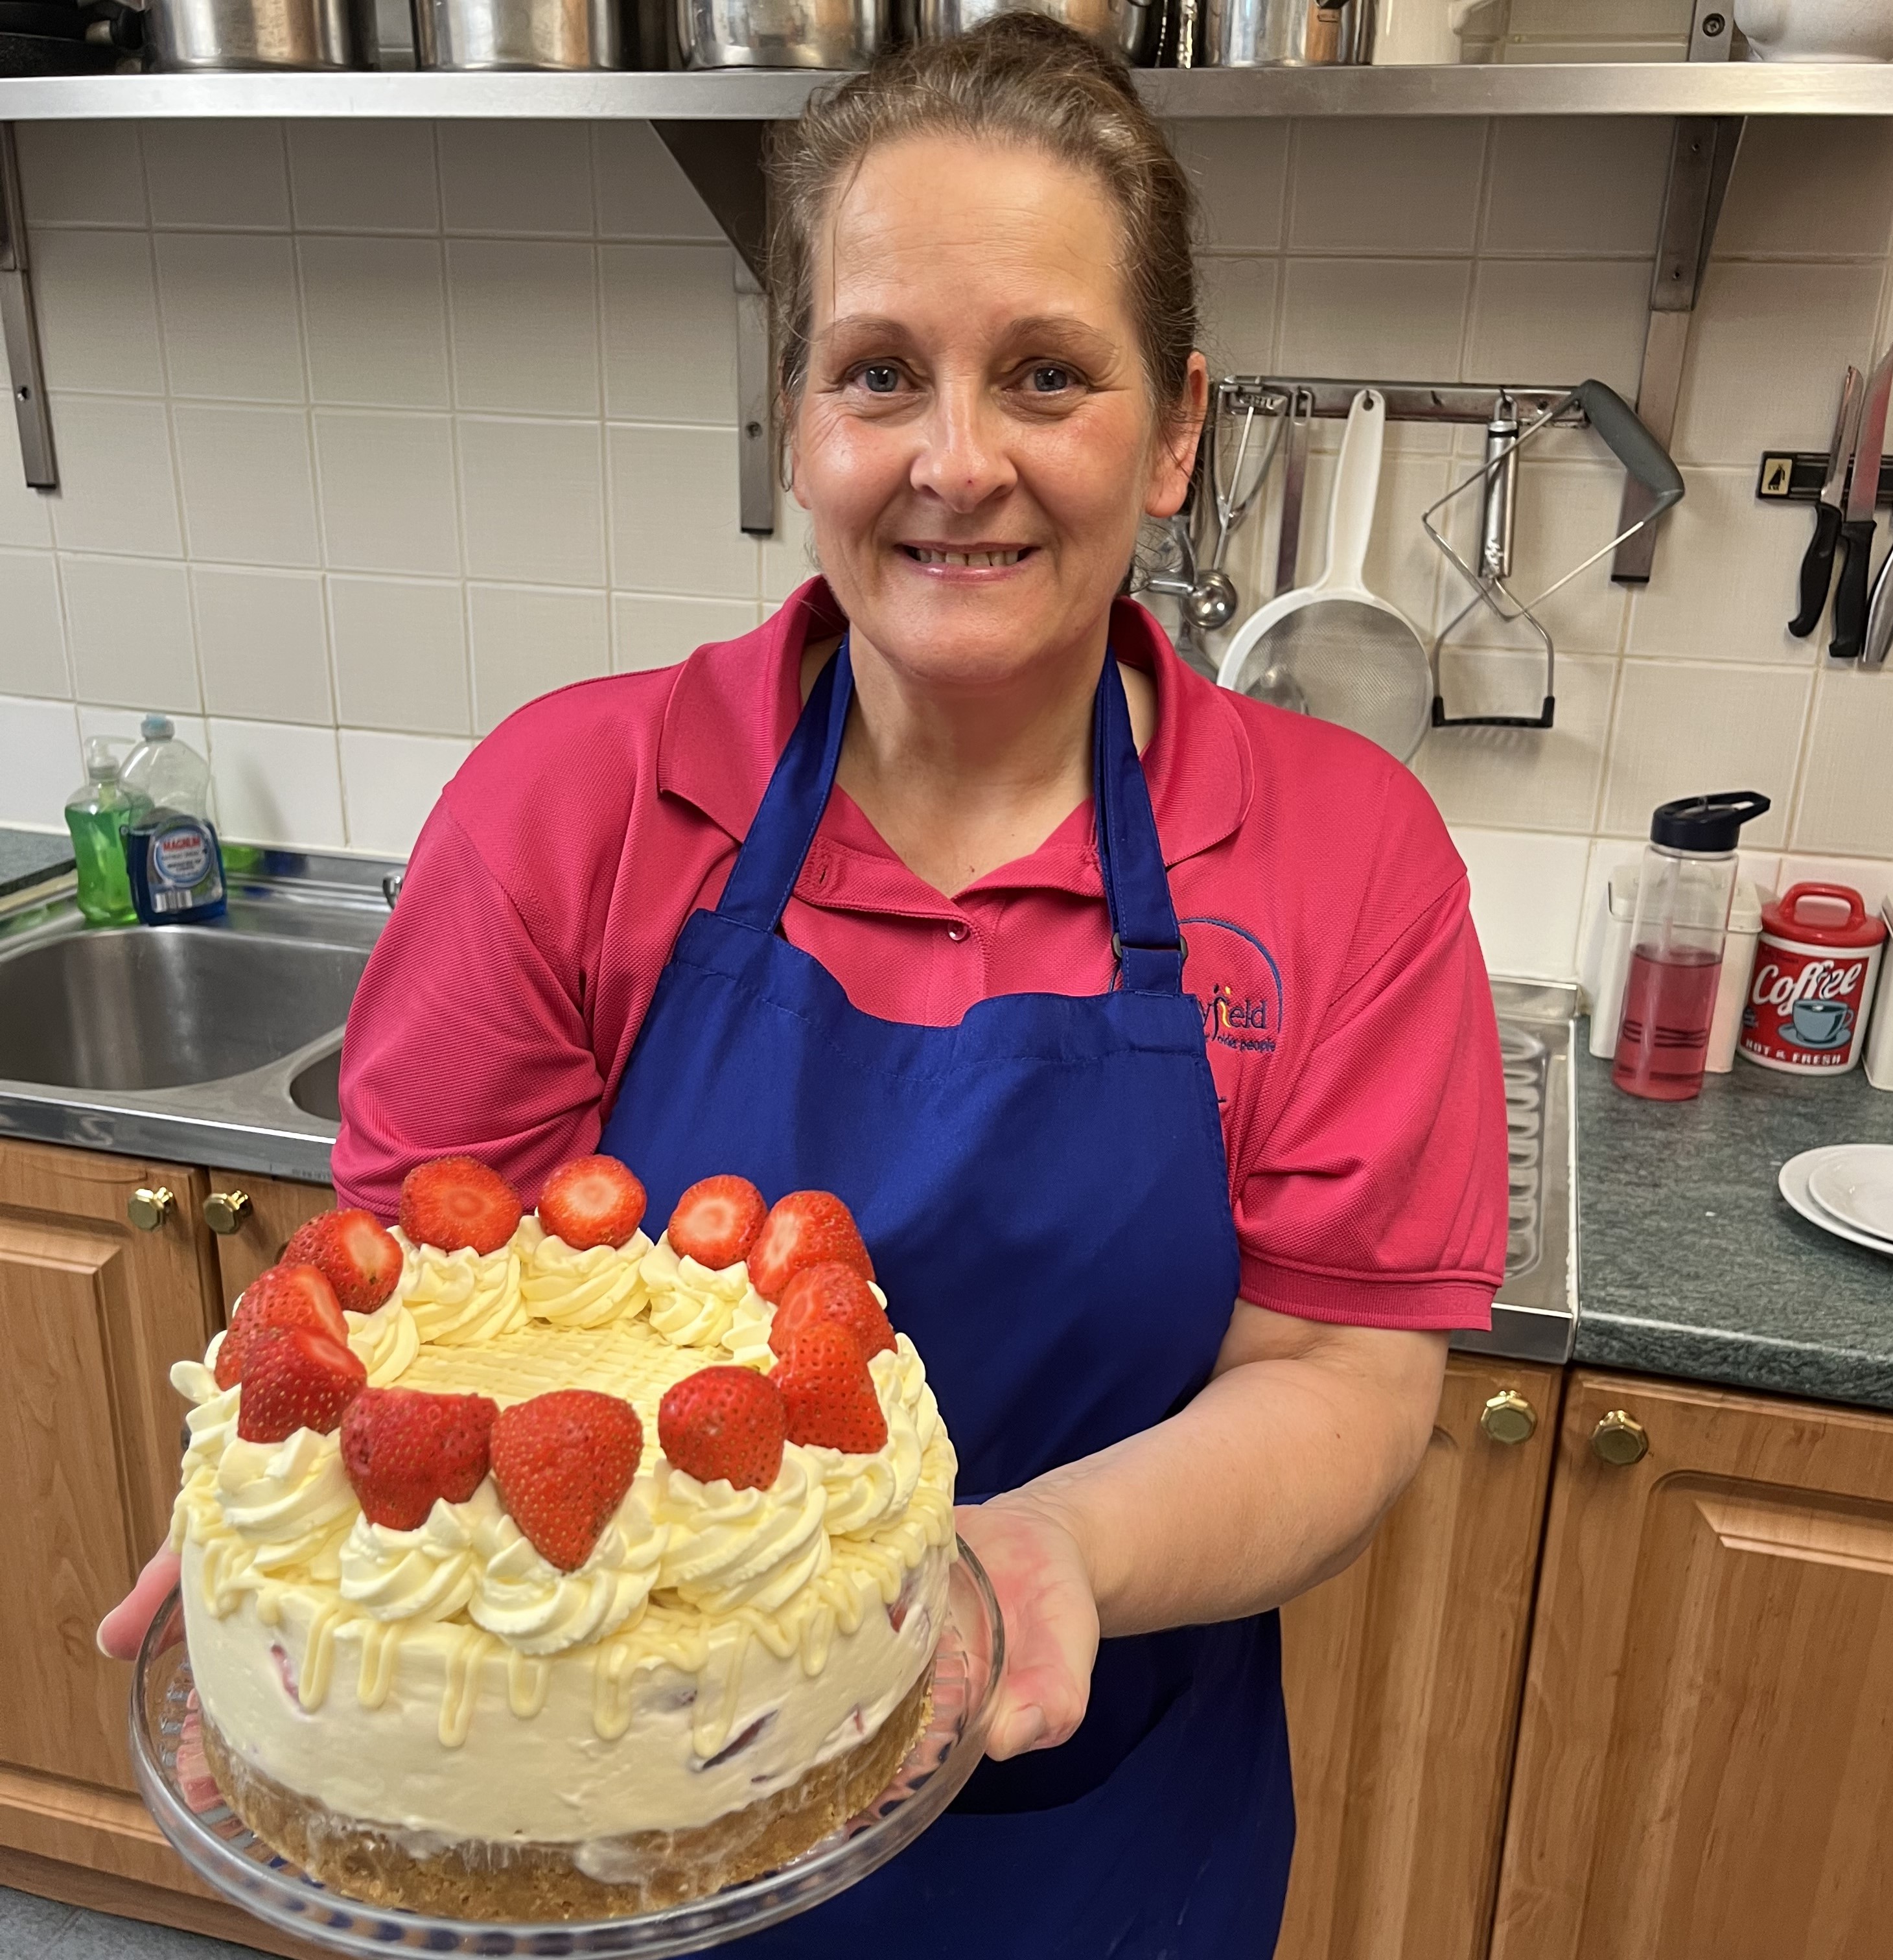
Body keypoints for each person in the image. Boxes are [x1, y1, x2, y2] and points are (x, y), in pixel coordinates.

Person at [102, 18, 1507, 1954]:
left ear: (1178, 429)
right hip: (583, 1843)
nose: (957, 463)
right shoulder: (570, 804)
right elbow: (433, 1315)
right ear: (795, 421)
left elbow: (1343, 1379)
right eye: (878, 373)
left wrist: (1047, 1554)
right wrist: (315, 1542)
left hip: (1095, 1831)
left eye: (1046, 374)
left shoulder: (1345, 857)